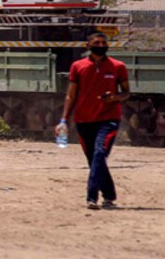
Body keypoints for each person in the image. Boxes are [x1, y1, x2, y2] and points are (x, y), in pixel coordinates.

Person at [56, 32, 130, 209]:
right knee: (94, 159)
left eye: (104, 42)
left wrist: (115, 97)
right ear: (88, 46)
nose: (101, 44)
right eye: (97, 42)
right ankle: (110, 195)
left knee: (99, 154)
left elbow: (126, 92)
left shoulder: (118, 66)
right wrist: (63, 120)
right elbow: (71, 95)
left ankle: (91, 197)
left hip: (109, 119)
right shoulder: (78, 66)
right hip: (84, 120)